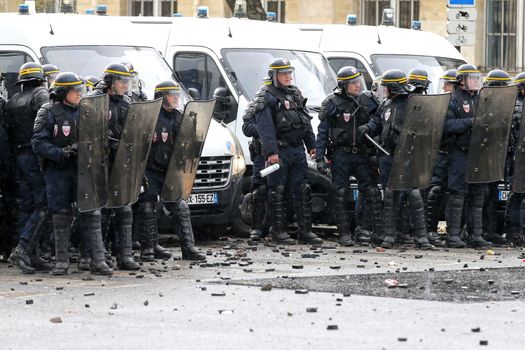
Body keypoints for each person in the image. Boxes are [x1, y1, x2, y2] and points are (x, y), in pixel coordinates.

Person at [32, 72, 112, 275]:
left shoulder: (87, 110)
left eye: (80, 90)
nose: (79, 94)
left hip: (84, 169)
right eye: (75, 91)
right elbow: (38, 143)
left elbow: (100, 135)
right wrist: (62, 152)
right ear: (62, 92)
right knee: (61, 215)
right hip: (58, 171)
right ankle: (61, 261)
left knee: (92, 213)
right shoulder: (48, 111)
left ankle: (96, 259)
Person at [360, 69, 432, 249]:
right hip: (387, 156)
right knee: (391, 196)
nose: (384, 91)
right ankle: (390, 236)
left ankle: (421, 238)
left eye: (387, 87)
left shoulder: (412, 103)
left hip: (407, 156)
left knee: (413, 195)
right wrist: (368, 128)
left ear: (392, 87)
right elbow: (378, 123)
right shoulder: (386, 104)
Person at [254, 58, 322, 245]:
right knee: (277, 191)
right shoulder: (266, 96)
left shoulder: (295, 94)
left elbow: (305, 121)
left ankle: (305, 231)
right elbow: (265, 128)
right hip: (279, 150)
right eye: (284, 73)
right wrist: (271, 153)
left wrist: (312, 146)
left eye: (289, 73)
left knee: (302, 189)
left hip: (297, 150)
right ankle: (278, 232)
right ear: (274, 75)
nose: (288, 77)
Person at [137, 80, 206, 261]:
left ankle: (188, 248)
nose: (176, 98)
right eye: (171, 94)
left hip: (170, 171)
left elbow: (188, 143)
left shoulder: (179, 116)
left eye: (177, 94)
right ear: (161, 96)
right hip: (150, 170)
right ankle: (149, 248)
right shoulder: (149, 117)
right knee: (147, 207)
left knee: (180, 207)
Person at [316, 66, 382, 246]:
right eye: (352, 83)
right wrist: (320, 158)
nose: (357, 86)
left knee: (372, 192)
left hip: (362, 154)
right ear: (344, 85)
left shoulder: (368, 100)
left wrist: (369, 127)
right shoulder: (332, 102)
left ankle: (371, 232)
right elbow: (322, 132)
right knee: (340, 194)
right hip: (340, 154)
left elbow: (380, 120)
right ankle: (344, 234)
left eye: (358, 81)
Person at [91, 63, 141, 270]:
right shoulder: (95, 101)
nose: (126, 85)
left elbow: (134, 129)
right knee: (101, 211)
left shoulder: (127, 103)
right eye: (122, 81)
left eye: (127, 81)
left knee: (124, 208)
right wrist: (110, 142)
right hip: (100, 162)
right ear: (111, 82)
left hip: (121, 162)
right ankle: (99, 256)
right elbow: (90, 131)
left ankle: (125, 255)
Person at [5, 62, 52, 273]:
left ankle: (30, 254)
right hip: (36, 156)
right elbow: (46, 123)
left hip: (19, 156)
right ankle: (24, 249)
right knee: (43, 205)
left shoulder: (13, 99)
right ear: (40, 79)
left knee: (26, 205)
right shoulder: (41, 95)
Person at [442, 64, 492, 248]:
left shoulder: (481, 99)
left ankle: (475, 235)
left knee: (478, 194)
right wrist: (469, 122)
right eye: (472, 78)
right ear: (461, 81)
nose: (476, 81)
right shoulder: (453, 100)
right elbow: (447, 126)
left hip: (478, 154)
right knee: (458, 194)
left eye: (477, 77)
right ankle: (453, 235)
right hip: (459, 154)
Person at [424, 69, 460, 248]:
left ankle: (454, 231)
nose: (444, 87)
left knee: (450, 193)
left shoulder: (461, 102)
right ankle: (429, 229)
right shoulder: (442, 103)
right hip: (440, 152)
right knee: (434, 191)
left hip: (456, 155)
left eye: (447, 84)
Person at [479, 69, 512, 245]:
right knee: (481, 196)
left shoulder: (506, 104)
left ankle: (491, 232)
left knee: (492, 195)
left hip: (498, 156)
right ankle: (479, 231)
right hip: (483, 156)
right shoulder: (484, 102)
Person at [505, 72, 525, 246]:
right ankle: (515, 233)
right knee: (517, 195)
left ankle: (516, 233)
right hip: (518, 158)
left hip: (517, 157)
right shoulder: (517, 106)